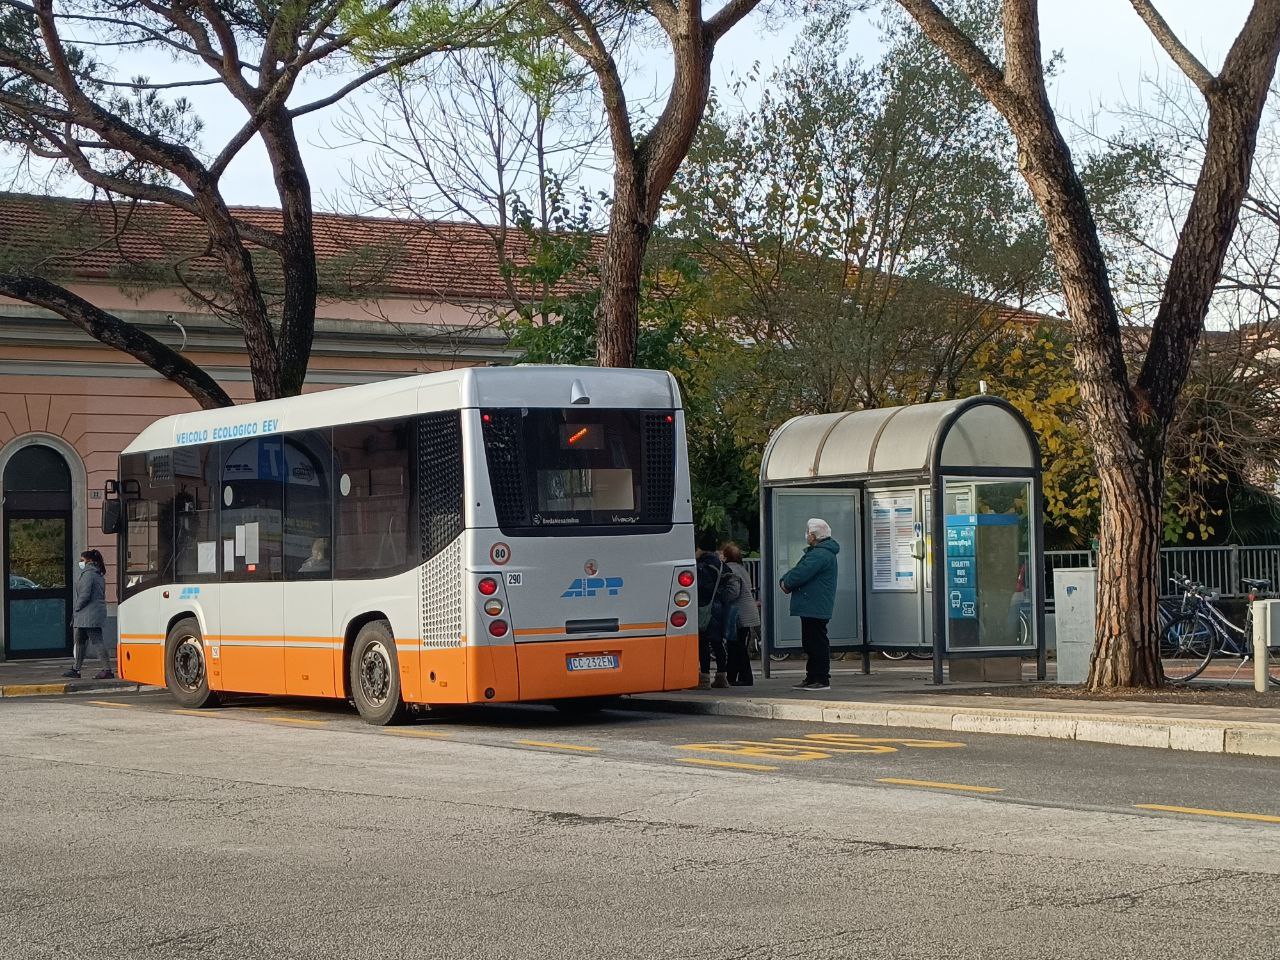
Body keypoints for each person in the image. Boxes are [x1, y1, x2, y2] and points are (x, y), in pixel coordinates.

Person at [779, 518, 839, 691]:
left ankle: (820, 678)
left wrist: (785, 582)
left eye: (808, 532)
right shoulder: (823, 552)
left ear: (813, 535)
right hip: (814, 604)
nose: (806, 535)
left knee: (815, 642)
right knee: (812, 641)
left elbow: (800, 572)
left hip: (814, 604)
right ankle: (812, 676)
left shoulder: (819, 554)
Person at [695, 532, 739, 689]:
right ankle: (721, 676)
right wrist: (722, 598)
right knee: (718, 643)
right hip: (719, 608)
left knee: (703, 644)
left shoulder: (701, 566)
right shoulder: (721, 565)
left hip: (703, 609)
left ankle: (704, 678)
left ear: (701, 548)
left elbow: (700, 588)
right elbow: (733, 585)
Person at [64, 549, 111, 680]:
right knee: (80, 641)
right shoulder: (97, 574)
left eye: (82, 560)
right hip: (90, 614)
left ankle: (107, 669)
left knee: (96, 640)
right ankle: (76, 669)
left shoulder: (88, 574)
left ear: (89, 561)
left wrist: (76, 609)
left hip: (88, 614)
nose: (80, 562)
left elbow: (84, 595)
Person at [720, 542, 759, 686]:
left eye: (721, 553)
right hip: (747, 612)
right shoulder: (742, 568)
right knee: (737, 645)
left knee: (737, 647)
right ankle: (732, 676)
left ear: (726, 556)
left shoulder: (730, 569)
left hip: (738, 614)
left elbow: (733, 591)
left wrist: (722, 597)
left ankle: (745, 677)